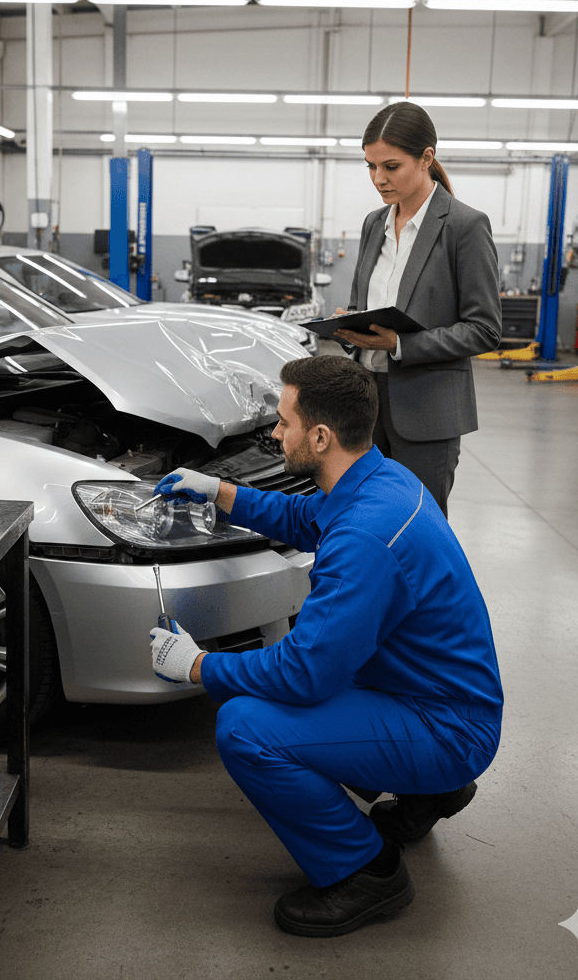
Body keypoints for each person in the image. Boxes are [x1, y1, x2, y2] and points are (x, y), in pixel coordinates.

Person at [148, 356, 503, 938]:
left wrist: (197, 666)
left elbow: (302, 674)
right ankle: (431, 790)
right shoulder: (380, 479)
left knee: (245, 727)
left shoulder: (365, 537)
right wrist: (217, 491)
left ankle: (367, 872)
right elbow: (302, 514)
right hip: (443, 698)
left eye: (284, 422)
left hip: (446, 726)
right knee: (332, 671)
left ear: (320, 435)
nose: (275, 433)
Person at [332, 101, 501, 517]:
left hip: (427, 413)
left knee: (417, 528)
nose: (378, 179)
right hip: (367, 405)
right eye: (370, 167)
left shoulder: (464, 226)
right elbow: (362, 302)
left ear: (426, 158)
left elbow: (484, 329)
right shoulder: (375, 223)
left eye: (391, 166)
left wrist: (401, 344)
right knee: (367, 523)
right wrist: (350, 326)